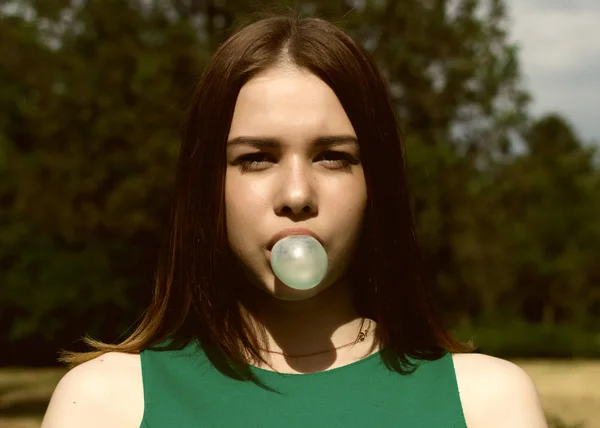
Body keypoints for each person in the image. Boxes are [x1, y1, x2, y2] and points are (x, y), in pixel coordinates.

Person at [41, 13, 547, 428]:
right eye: (257, 157)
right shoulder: (104, 405)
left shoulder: (488, 404)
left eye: (332, 156)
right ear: (206, 188)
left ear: (378, 183)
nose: (297, 194)